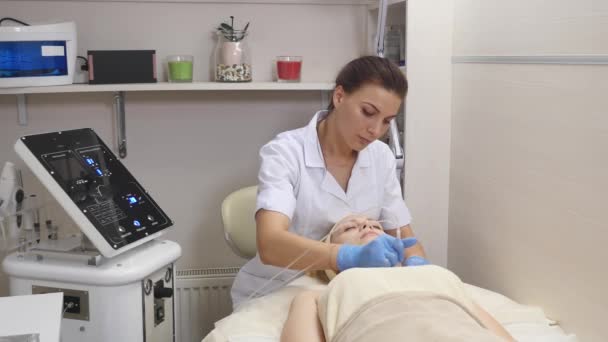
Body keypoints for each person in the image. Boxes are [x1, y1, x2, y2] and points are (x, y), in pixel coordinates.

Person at [230, 56, 428, 308]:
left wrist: (417, 268)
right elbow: (270, 244)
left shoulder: (381, 156)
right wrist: (346, 256)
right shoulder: (285, 153)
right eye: (368, 112)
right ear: (339, 96)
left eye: (387, 121)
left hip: (354, 294)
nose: (376, 130)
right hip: (280, 292)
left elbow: (406, 239)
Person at [280, 214, 517, 342]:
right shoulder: (316, 295)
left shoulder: (437, 275)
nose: (366, 225)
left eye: (375, 225)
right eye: (350, 228)